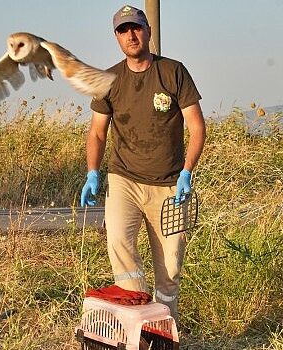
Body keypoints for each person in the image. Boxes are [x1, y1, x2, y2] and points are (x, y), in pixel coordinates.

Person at [79, 4, 206, 323]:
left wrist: (187, 172)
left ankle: (165, 326)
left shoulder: (173, 72)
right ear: (117, 38)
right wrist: (92, 172)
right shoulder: (109, 80)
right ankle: (137, 320)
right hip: (124, 181)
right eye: (123, 31)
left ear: (148, 31)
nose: (131, 35)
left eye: (136, 28)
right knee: (119, 243)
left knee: (171, 266)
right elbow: (97, 132)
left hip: (170, 186)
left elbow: (197, 127)